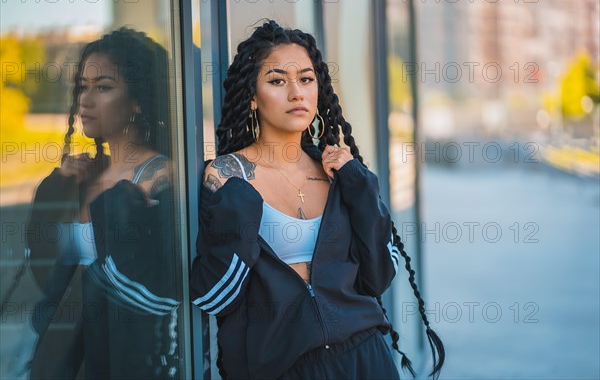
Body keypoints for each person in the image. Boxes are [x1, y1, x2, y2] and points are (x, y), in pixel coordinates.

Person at [189, 20, 444, 379]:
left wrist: (360, 185)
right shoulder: (226, 177)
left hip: (365, 356)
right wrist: (240, 210)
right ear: (251, 96)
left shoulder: (337, 173)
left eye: (306, 79)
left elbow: (379, 276)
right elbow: (216, 296)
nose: (297, 93)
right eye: (277, 80)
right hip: (280, 369)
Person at [26, 28, 181, 379]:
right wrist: (57, 190)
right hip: (69, 358)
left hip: (129, 361)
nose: (86, 100)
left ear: (138, 99)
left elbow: (161, 290)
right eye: (83, 86)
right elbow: (46, 269)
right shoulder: (86, 176)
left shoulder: (159, 179)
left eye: (104, 87)